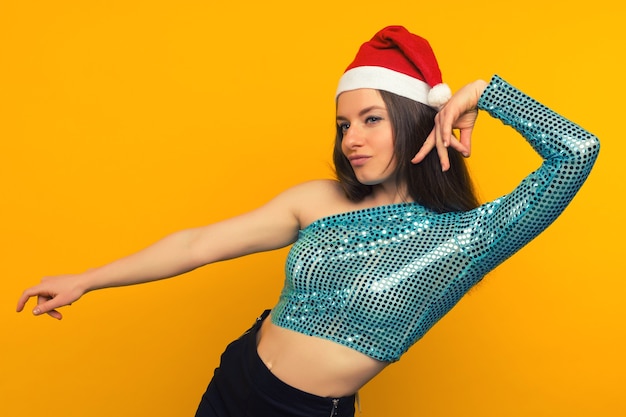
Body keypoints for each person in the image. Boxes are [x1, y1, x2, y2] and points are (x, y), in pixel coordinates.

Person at [16, 25, 599, 417]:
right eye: (345, 125)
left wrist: (480, 94)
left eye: (371, 119)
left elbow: (577, 152)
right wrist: (88, 278)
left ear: (419, 119)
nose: (352, 140)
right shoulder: (317, 199)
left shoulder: (473, 233)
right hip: (236, 381)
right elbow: (199, 244)